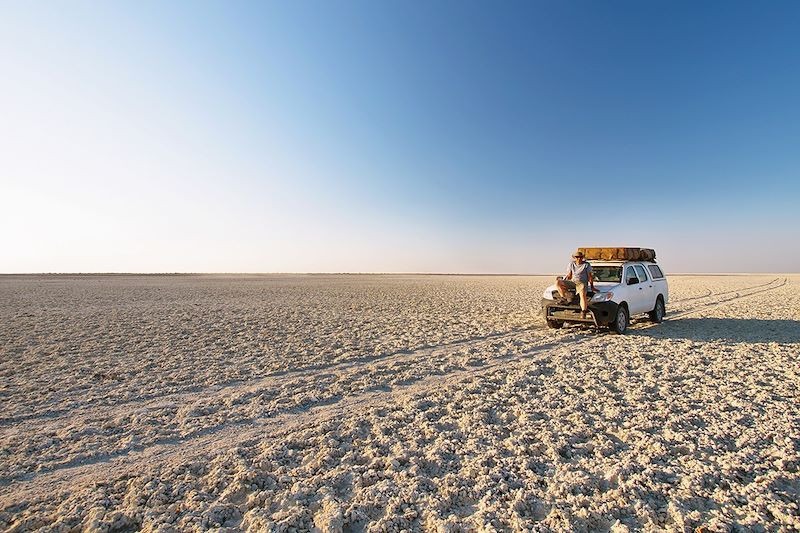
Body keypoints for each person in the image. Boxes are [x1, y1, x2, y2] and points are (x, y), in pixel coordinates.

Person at [556, 251, 596, 318]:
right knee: (558, 282)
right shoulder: (571, 264)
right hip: (573, 282)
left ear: (582, 258)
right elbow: (569, 275)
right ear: (574, 258)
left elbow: (590, 276)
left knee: (582, 294)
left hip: (581, 283)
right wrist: (565, 280)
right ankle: (563, 298)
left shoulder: (586, 265)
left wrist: (592, 287)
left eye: (580, 257)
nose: (579, 258)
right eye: (577, 257)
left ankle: (583, 311)